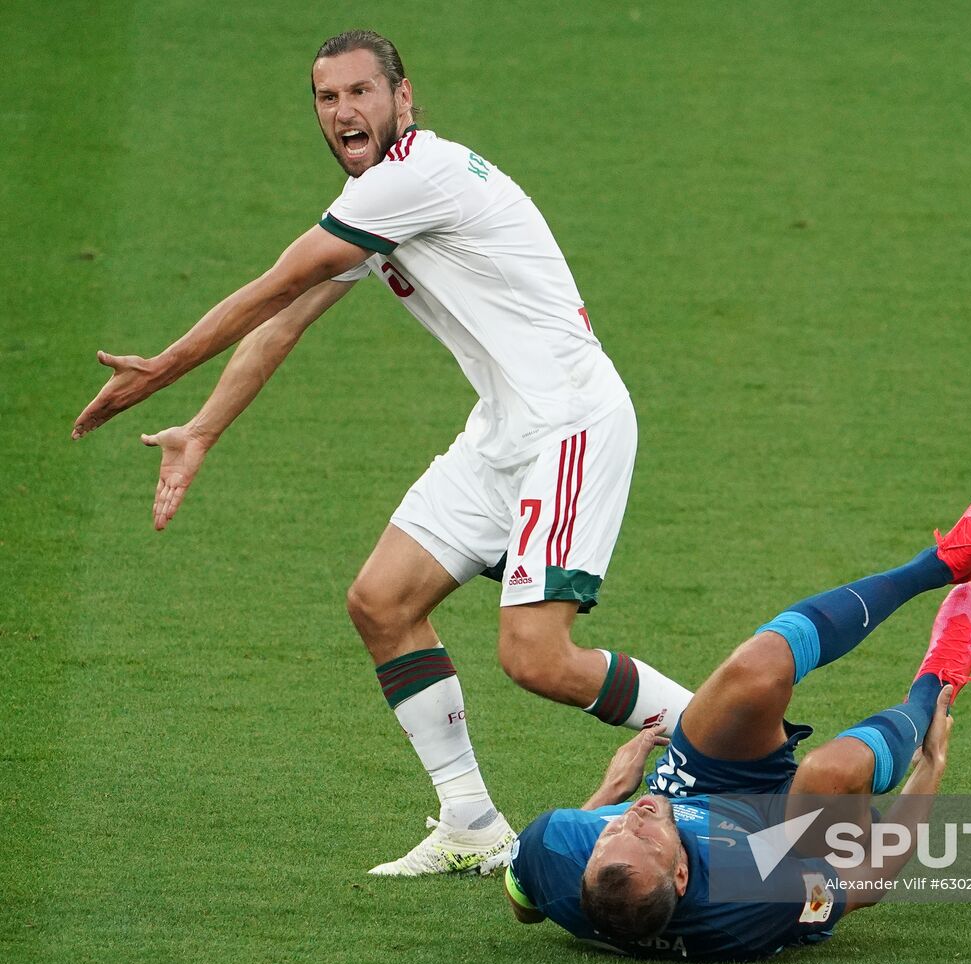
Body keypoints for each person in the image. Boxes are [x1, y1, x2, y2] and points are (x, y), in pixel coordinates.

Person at [70, 29, 693, 876]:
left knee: (537, 658)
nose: (343, 111)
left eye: (361, 92)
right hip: (506, 428)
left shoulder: (414, 177)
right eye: (327, 98)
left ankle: (727, 740)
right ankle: (471, 823)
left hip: (569, 424)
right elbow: (287, 320)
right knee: (382, 601)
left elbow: (274, 286)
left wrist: (162, 369)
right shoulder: (376, 197)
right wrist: (203, 427)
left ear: (404, 98)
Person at [505, 484, 971, 961]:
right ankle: (937, 682)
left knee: (756, 669)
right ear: (682, 876)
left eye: (611, 831)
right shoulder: (753, 903)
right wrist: (931, 768)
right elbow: (867, 883)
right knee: (832, 770)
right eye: (642, 836)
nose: (630, 817)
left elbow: (525, 904)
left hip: (695, 791)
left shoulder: (557, 851)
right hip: (778, 846)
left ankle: (940, 563)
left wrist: (607, 794)